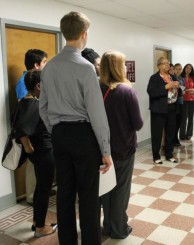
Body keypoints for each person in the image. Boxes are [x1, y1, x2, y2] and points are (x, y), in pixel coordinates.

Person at [39, 12, 113, 245]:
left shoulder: (49, 67)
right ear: (84, 34)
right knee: (89, 196)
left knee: (65, 193)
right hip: (83, 136)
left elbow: (43, 108)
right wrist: (105, 149)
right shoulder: (85, 67)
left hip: (59, 135)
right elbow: (96, 113)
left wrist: (56, 130)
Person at [100, 50, 143, 239]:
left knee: (106, 190)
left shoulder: (96, 87)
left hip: (102, 149)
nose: (126, 67)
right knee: (120, 190)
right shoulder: (126, 91)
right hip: (123, 149)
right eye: (124, 63)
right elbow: (138, 124)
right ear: (118, 68)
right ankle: (119, 229)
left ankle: (108, 225)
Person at [15, 70, 57, 238]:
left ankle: (36, 221)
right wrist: (28, 148)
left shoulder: (27, 101)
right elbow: (22, 130)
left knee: (41, 188)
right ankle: (40, 227)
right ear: (39, 86)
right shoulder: (33, 104)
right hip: (44, 152)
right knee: (44, 189)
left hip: (41, 152)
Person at [15, 49, 48, 205]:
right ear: (36, 65)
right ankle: (31, 196)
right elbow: (26, 111)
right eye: (44, 62)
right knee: (32, 164)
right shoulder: (24, 82)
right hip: (32, 133)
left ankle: (39, 191)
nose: (46, 65)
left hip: (38, 131)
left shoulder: (33, 79)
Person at [147, 57, 180, 164]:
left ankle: (169, 154)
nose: (167, 65)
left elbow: (176, 90)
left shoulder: (173, 76)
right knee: (157, 133)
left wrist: (180, 88)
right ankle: (156, 156)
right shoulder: (154, 78)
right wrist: (166, 86)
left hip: (172, 108)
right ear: (159, 66)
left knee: (171, 132)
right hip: (159, 109)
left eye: (168, 63)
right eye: (164, 63)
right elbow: (151, 92)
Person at [180, 63, 194, 140]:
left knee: (191, 118)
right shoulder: (181, 78)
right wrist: (188, 90)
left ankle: (189, 134)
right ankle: (182, 135)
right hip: (184, 100)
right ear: (184, 69)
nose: (188, 70)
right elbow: (181, 89)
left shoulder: (193, 77)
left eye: (190, 68)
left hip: (193, 100)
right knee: (184, 118)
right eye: (187, 68)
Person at [173, 63, 185, 146]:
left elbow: (183, 88)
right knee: (174, 121)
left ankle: (175, 137)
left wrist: (183, 91)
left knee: (179, 121)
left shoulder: (182, 79)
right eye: (177, 69)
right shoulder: (172, 78)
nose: (178, 70)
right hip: (173, 102)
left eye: (180, 69)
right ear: (173, 69)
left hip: (180, 101)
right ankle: (173, 138)